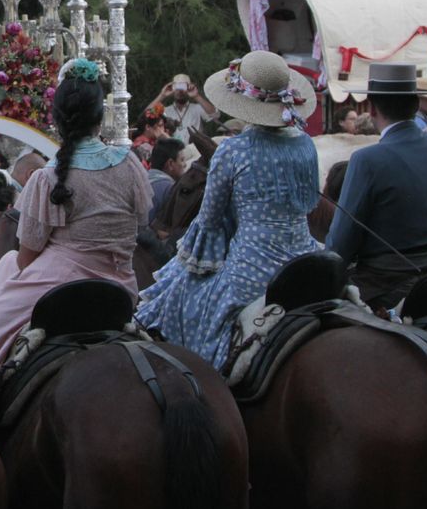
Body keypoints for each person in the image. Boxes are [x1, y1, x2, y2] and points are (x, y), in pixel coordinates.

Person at [0, 58, 151, 402]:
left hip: (62, 286)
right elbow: (141, 222)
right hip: (121, 286)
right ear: (100, 117)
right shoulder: (130, 164)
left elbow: (26, 258)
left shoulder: (48, 177)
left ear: (58, 119)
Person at [135, 51, 322, 371]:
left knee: (180, 297)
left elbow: (208, 220)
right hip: (306, 259)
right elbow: (307, 202)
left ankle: (205, 380)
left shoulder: (233, 150)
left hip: (253, 267)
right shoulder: (305, 144)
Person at [324, 62, 427, 308]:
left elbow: (340, 244)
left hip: (381, 287)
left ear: (372, 109)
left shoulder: (366, 160)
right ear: (415, 105)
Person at [156, 73, 215, 140]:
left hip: (194, 146)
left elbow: (215, 114)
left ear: (189, 87)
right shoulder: (165, 111)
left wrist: (196, 96)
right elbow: (147, 114)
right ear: (173, 88)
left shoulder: (197, 108)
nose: (180, 91)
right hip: (172, 146)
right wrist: (162, 95)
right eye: (177, 87)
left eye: (183, 87)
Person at [146, 137, 188, 222]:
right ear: (170, 164)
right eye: (182, 160)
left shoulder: (144, 178)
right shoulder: (170, 188)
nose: (185, 164)